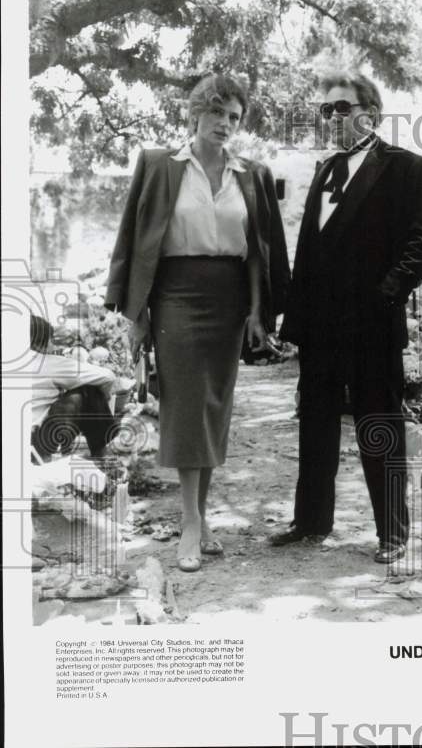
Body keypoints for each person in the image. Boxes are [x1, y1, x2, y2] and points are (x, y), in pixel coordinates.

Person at [105, 73, 290, 572]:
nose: (225, 124)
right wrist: (135, 311)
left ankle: (201, 517)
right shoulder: (159, 164)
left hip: (229, 298)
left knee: (213, 407)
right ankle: (190, 520)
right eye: (216, 113)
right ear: (195, 113)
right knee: (185, 405)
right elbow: (133, 238)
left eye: (233, 116)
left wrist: (258, 311)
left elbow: (259, 251)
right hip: (175, 296)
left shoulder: (251, 174)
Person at [273, 71, 422, 564]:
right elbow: (309, 252)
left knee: (379, 426)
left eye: (342, 108)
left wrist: (385, 296)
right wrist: (296, 322)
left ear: (371, 112)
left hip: (372, 325)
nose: (333, 118)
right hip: (321, 329)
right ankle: (310, 522)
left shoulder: (405, 167)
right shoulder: (325, 172)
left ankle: (392, 532)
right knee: (316, 424)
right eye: (326, 110)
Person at [29, 315, 119, 462]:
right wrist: (104, 397)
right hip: (38, 441)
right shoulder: (47, 361)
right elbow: (108, 376)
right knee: (88, 390)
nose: (53, 346)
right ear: (41, 343)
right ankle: (101, 452)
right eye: (51, 340)